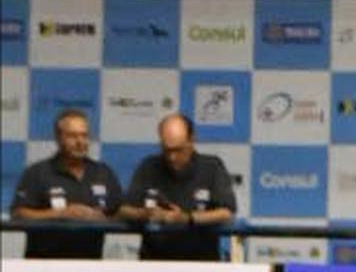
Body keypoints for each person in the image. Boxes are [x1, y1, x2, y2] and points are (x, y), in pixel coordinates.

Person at [118, 112, 236, 261]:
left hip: (200, 262)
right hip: (155, 262)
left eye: (178, 150)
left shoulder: (212, 167)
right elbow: (123, 209)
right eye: (166, 150)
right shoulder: (149, 166)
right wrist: (144, 214)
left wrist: (187, 218)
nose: (172, 157)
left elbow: (227, 212)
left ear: (192, 141)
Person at [9, 108, 122, 259]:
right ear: (58, 138)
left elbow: (120, 212)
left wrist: (101, 218)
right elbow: (18, 214)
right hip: (44, 263)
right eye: (72, 136)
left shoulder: (103, 172)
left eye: (84, 135)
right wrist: (62, 213)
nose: (80, 142)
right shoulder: (37, 172)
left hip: (91, 264)